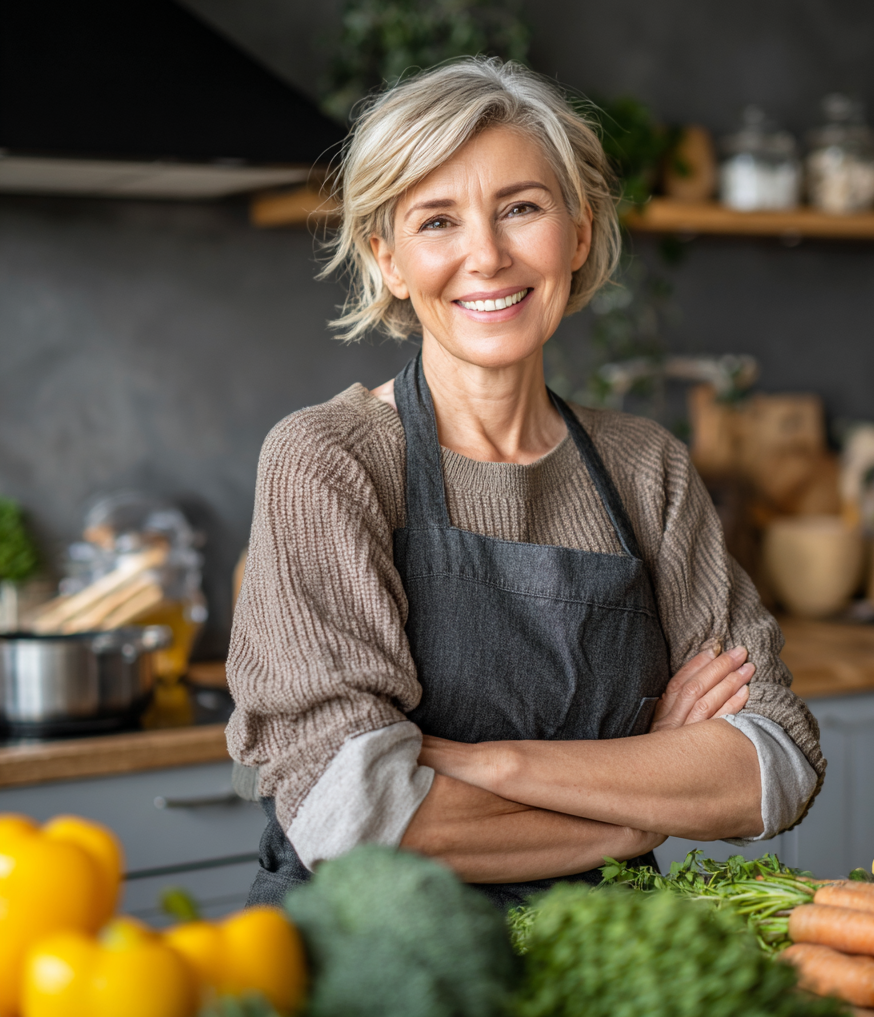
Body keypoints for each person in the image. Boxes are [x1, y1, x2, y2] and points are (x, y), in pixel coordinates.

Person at [227, 57, 825, 909]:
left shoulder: (645, 468)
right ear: (387, 258)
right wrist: (639, 812)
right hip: (373, 959)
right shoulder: (330, 460)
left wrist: (486, 764)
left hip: (603, 954)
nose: (488, 256)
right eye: (437, 220)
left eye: (521, 208)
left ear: (577, 234)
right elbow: (354, 816)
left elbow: (771, 765)